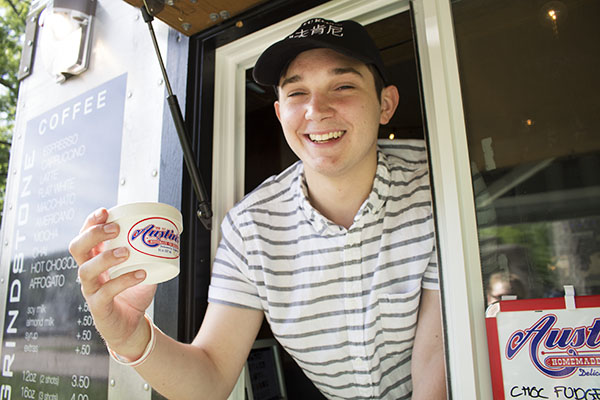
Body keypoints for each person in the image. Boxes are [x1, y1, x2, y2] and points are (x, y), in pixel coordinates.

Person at [69, 17, 446, 399]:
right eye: (297, 93)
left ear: (386, 104)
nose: (316, 109)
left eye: (343, 85)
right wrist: (129, 334)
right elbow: (211, 377)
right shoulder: (250, 228)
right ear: (281, 114)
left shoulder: (440, 183)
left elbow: (438, 361)